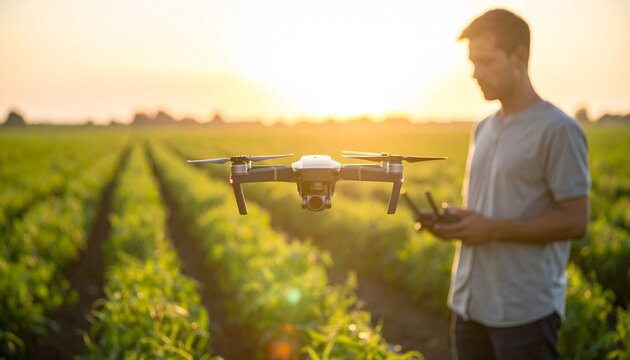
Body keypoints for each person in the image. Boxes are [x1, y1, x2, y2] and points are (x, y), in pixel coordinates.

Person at [430, 8, 590, 360]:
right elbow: (490, 209)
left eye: (486, 61)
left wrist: (493, 229)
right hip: (468, 303)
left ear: (519, 57)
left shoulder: (558, 129)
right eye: (472, 63)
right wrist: (459, 220)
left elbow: (576, 220)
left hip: (522, 313)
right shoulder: (483, 128)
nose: (475, 74)